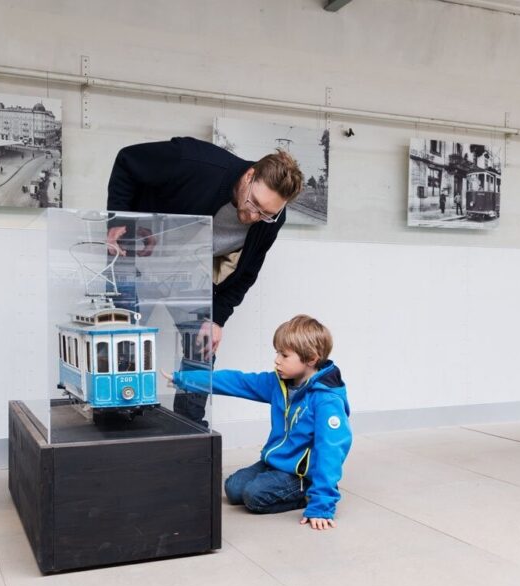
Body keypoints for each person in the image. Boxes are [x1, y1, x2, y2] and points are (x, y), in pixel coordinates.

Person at [106, 137, 304, 357]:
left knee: (202, 352)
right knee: (120, 350)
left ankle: (192, 393)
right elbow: (128, 160)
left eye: (266, 213)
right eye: (254, 203)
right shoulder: (194, 161)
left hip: (189, 275)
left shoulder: (272, 219)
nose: (253, 216)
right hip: (136, 258)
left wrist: (217, 319)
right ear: (249, 176)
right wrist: (118, 222)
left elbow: (248, 273)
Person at [167, 315, 352, 530]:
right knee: (233, 488)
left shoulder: (327, 400)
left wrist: (322, 505)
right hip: (275, 462)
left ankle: (308, 491)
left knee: (254, 497)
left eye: (284, 355)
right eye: (277, 353)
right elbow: (238, 382)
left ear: (310, 359)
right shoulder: (279, 382)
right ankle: (279, 480)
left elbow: (331, 451)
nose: (277, 360)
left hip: (301, 473)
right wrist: (184, 379)